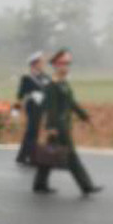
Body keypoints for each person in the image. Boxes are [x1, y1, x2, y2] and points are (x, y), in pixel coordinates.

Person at [32, 49, 102, 196]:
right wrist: (51, 127)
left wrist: (85, 117)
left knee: (48, 154)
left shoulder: (63, 83)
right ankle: (86, 186)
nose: (66, 66)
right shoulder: (52, 85)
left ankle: (39, 184)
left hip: (62, 125)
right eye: (63, 63)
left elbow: (72, 103)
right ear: (56, 65)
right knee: (71, 156)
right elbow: (50, 107)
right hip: (58, 126)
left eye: (68, 63)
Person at [16, 51, 50, 165]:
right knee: (31, 130)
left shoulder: (45, 77)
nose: (42, 64)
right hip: (32, 106)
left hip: (41, 106)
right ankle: (29, 156)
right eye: (40, 62)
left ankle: (24, 156)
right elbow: (20, 95)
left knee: (34, 131)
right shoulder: (27, 78)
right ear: (34, 64)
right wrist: (16, 111)